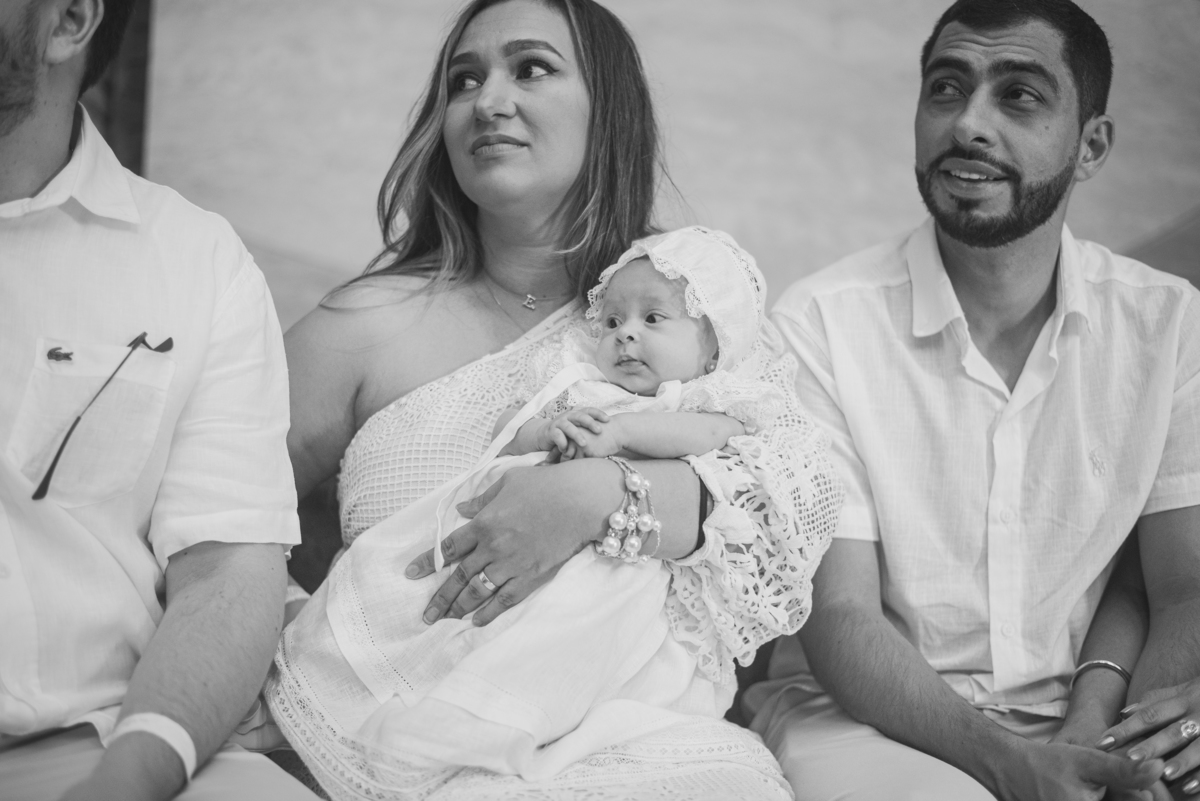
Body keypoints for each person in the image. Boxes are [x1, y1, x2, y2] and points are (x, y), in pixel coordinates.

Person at [277, 0, 842, 798]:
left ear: (607, 110)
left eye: (531, 68)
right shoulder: (362, 326)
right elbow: (213, 519)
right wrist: (307, 668)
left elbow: (789, 502)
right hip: (399, 739)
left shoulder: (687, 316)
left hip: (638, 741)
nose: (487, 101)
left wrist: (595, 493)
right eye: (463, 80)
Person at [747, 0, 1200, 799]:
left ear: (1091, 146)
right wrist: (1012, 763)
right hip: (870, 720)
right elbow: (841, 614)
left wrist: (1125, 743)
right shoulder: (819, 324)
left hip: (1092, 705)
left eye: (1019, 95)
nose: (967, 124)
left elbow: (1183, 586)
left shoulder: (1167, 322)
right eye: (946, 89)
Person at [273, 226, 805, 781]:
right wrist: (546, 430)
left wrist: (622, 434)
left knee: (558, 637)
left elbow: (710, 437)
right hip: (503, 544)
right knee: (422, 591)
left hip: (611, 576)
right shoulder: (580, 384)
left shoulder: (698, 402)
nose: (626, 334)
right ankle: (351, 685)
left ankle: (486, 721)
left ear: (713, 347)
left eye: (653, 319)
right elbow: (510, 425)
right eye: (613, 321)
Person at [0, 1, 321, 799]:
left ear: (69, 20)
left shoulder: (198, 261)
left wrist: (131, 775)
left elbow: (225, 573)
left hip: (107, 739)